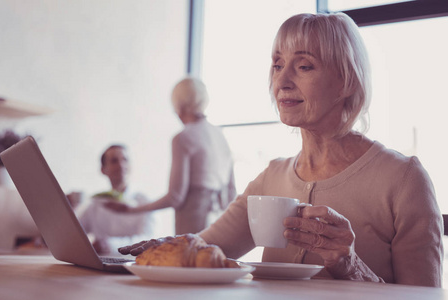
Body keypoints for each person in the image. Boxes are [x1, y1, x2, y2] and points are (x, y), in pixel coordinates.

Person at [117, 13, 443, 286]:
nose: (282, 81)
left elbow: (424, 298)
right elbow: (201, 248)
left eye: (303, 66)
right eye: (277, 65)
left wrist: (350, 265)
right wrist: (152, 251)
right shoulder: (270, 178)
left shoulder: (404, 180)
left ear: (345, 81)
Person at [107, 77, 236, 235]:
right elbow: (231, 193)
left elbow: (175, 197)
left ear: (179, 106)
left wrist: (133, 210)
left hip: (193, 228)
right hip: (219, 225)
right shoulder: (220, 135)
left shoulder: (183, 138)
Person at [76, 144, 154, 254]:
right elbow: (74, 233)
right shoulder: (95, 204)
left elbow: (149, 239)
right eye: (114, 161)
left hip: (133, 265)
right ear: (103, 170)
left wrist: (109, 245)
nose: (121, 165)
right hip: (98, 266)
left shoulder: (144, 201)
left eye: (125, 160)